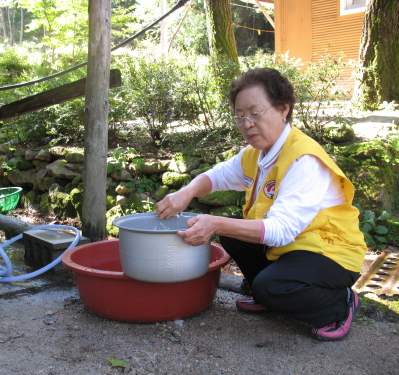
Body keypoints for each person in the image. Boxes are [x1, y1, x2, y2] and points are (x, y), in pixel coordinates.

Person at [156, 67, 367, 341]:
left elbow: (281, 230)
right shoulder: (257, 154)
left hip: (331, 253)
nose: (247, 124)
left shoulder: (304, 160)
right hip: (294, 247)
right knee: (233, 237)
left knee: (271, 286)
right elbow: (217, 176)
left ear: (283, 109)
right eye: (240, 116)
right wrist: (185, 193)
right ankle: (268, 294)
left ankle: (339, 304)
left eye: (255, 113)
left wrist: (217, 222)